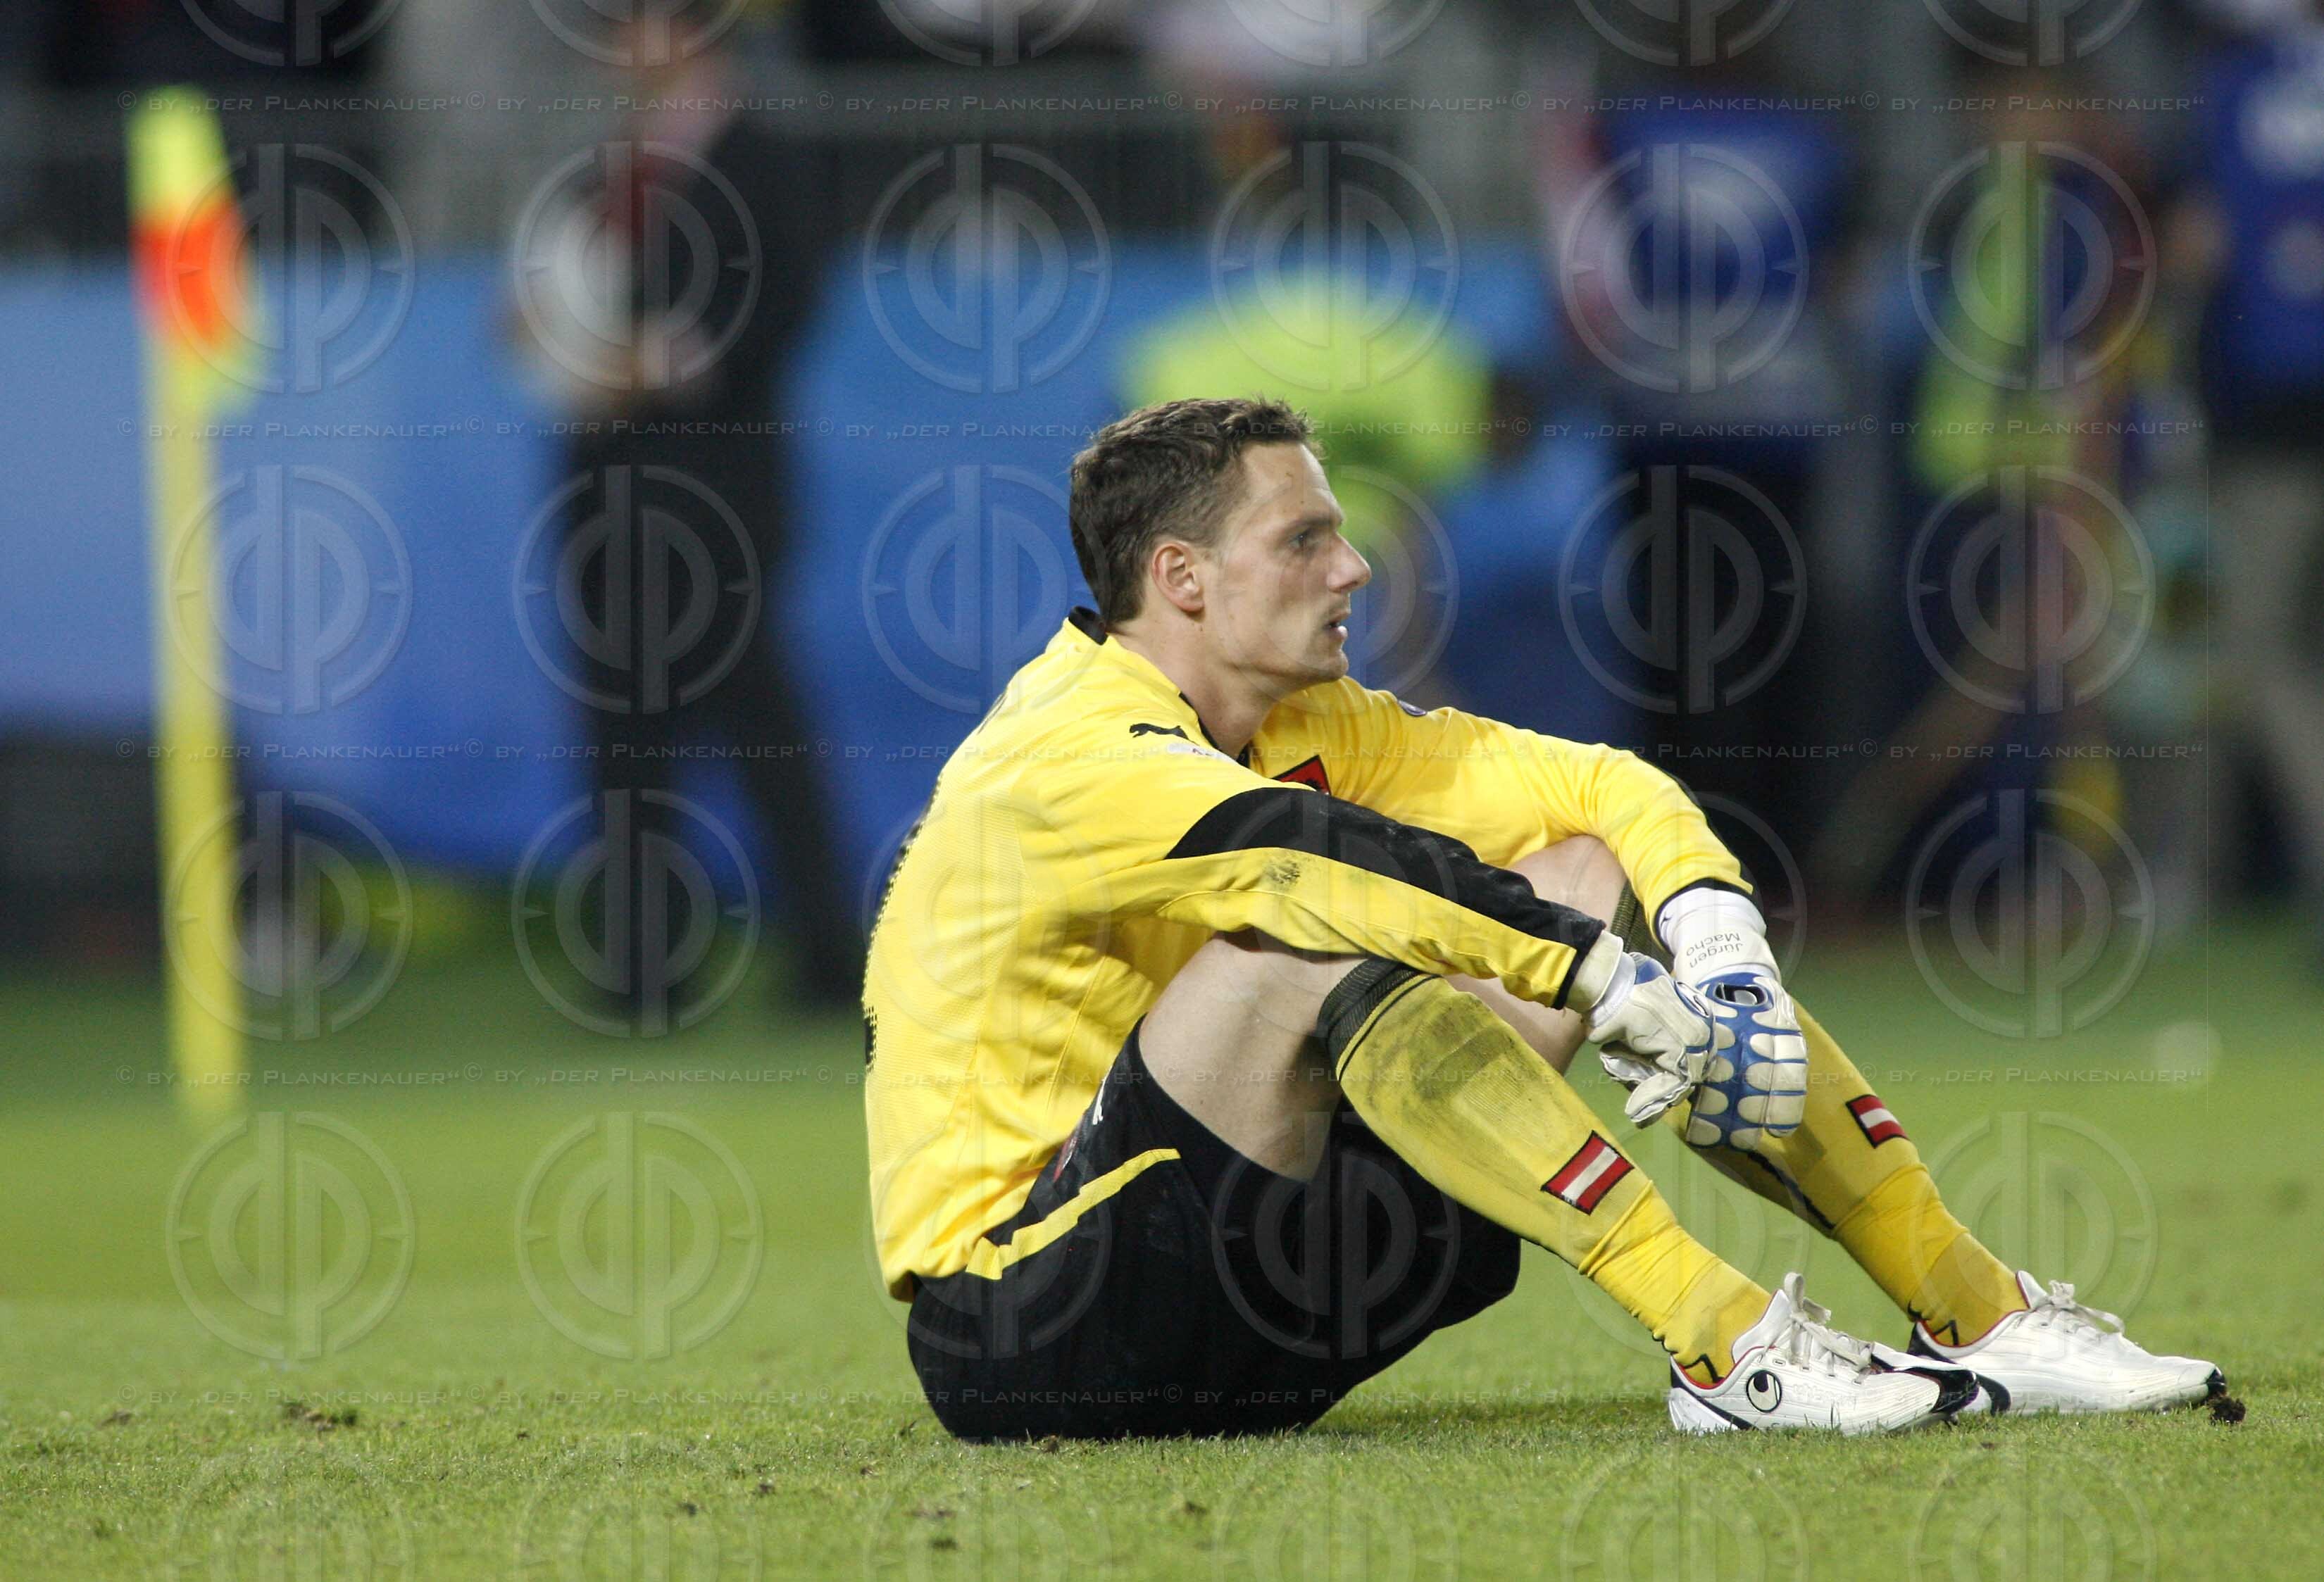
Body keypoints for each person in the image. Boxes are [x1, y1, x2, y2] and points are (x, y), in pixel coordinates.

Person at [861, 397, 2224, 1439]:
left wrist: (1718, 954)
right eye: (1306, 539)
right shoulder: (1065, 749)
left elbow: (1597, 786)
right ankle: (1721, 1343)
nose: (1354, 568)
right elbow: (1309, 858)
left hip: (1262, 1294)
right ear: (1182, 578)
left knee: (1572, 864)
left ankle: (1978, 1310)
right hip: (1029, 1322)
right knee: (1292, 946)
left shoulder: (1304, 721)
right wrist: (1606, 982)